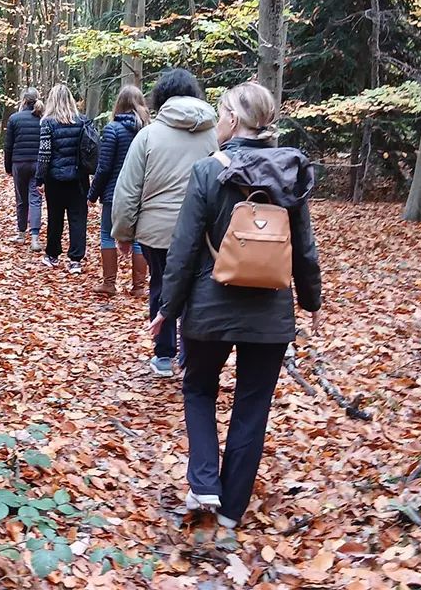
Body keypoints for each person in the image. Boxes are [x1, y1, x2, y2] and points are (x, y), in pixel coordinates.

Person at [151, 81, 322, 529]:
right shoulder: (291, 170)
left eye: (222, 112)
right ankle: (231, 511)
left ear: (231, 119)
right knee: (253, 404)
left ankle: (205, 482)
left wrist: (167, 308)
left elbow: (185, 247)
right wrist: (311, 300)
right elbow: (303, 247)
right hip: (271, 312)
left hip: (210, 306)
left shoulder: (209, 171)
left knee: (199, 388)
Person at [112, 69, 218, 377]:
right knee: (196, 289)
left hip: (156, 230)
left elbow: (129, 188)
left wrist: (123, 232)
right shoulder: (214, 134)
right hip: (202, 230)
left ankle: (163, 356)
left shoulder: (148, 135)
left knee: (160, 284)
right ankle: (190, 355)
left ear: (160, 97)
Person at [87, 85, 149, 297]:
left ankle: (109, 283)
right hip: (142, 192)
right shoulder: (148, 130)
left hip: (115, 192)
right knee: (140, 237)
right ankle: (139, 286)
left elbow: (104, 166)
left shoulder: (112, 129)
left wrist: (93, 194)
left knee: (107, 234)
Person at [36, 84, 91, 273]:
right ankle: (76, 260)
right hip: (79, 179)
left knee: (55, 217)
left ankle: (52, 255)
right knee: (78, 218)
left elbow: (44, 154)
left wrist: (39, 179)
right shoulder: (82, 121)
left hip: (55, 179)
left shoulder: (47, 123)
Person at [4, 87, 44, 250]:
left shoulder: (14, 118)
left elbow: (8, 146)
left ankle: (21, 233)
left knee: (21, 199)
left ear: (24, 101)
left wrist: (8, 167)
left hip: (19, 163)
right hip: (37, 164)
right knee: (36, 199)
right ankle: (35, 238)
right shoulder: (43, 119)